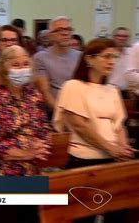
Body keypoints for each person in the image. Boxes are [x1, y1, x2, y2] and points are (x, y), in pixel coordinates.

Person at [53, 38, 136, 223]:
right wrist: (110, 148)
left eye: (114, 57)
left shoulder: (112, 90)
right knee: (85, 216)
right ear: (89, 59)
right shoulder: (74, 86)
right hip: (85, 161)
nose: (112, 61)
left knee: (118, 214)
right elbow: (80, 125)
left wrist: (122, 149)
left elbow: (119, 124)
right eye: (106, 56)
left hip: (112, 161)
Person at [0, 45, 50, 223]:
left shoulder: (34, 96)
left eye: (25, 64)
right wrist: (25, 153)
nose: (22, 69)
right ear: (4, 69)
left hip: (31, 175)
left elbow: (44, 129)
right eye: (16, 65)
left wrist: (40, 145)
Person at [33, 16, 81, 115]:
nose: (65, 33)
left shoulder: (80, 56)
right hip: (53, 113)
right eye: (60, 30)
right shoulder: (41, 57)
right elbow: (44, 92)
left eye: (68, 29)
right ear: (50, 35)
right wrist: (61, 115)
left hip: (79, 112)